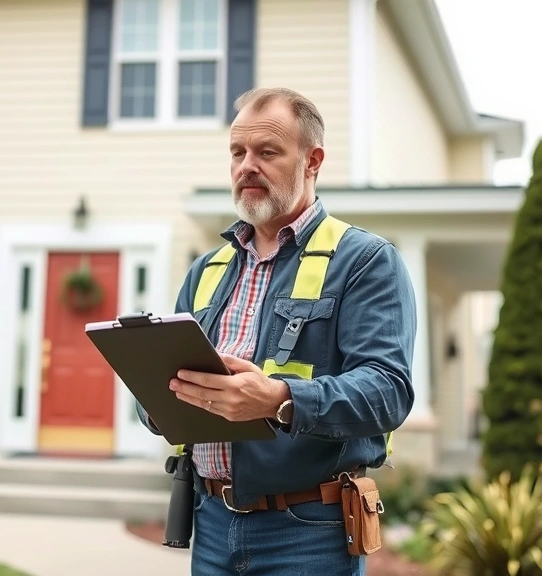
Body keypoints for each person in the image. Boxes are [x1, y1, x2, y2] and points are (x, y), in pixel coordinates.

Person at [136, 87, 417, 575]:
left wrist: (277, 399)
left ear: (313, 161)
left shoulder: (366, 262)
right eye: (237, 152)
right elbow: (156, 402)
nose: (247, 165)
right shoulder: (207, 269)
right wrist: (159, 402)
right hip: (212, 524)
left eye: (267, 152)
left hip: (310, 532)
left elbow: (388, 391)